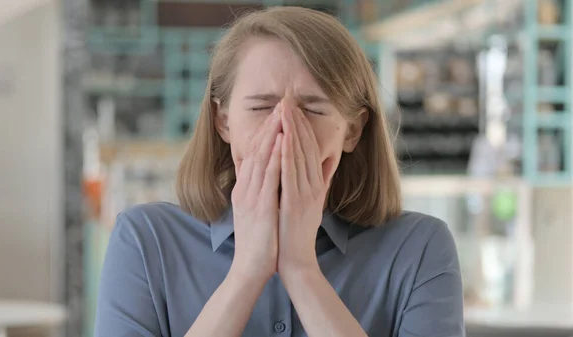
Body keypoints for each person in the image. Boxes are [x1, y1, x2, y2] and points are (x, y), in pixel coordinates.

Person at [95, 6, 464, 337]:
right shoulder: (145, 241)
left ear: (352, 130)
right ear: (223, 122)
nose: (284, 131)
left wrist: (301, 269)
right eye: (260, 108)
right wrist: (247, 272)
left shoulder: (420, 248)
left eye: (314, 110)